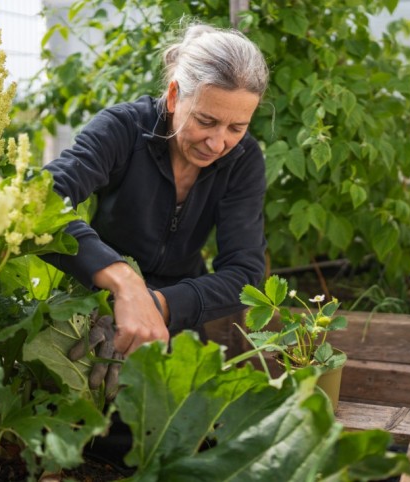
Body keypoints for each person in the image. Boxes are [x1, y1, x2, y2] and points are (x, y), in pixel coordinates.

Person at [41, 22, 270, 361]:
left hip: (177, 319)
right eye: (205, 121)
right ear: (175, 96)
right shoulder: (121, 129)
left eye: (237, 127)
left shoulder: (243, 159)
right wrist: (123, 282)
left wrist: (157, 305)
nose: (218, 142)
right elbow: (41, 201)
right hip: (89, 303)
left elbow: (245, 274)